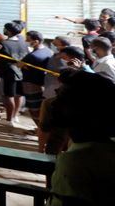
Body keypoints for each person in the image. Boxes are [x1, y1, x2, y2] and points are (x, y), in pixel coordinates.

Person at [47, 69, 115, 206]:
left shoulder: (77, 161)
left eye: (63, 100)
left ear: (87, 108)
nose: (53, 104)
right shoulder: (104, 150)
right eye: (57, 95)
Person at [0, 22, 28, 126]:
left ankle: (9, 120)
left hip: (8, 72)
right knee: (18, 95)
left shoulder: (3, 43)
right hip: (21, 72)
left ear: (9, 31)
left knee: (8, 96)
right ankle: (15, 116)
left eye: (5, 28)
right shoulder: (23, 42)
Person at [19, 30, 52, 126]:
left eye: (28, 40)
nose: (26, 41)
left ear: (36, 41)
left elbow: (19, 64)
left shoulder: (32, 56)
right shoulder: (48, 50)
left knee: (33, 108)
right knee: (40, 107)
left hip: (30, 84)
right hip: (42, 82)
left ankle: (40, 128)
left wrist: (24, 63)